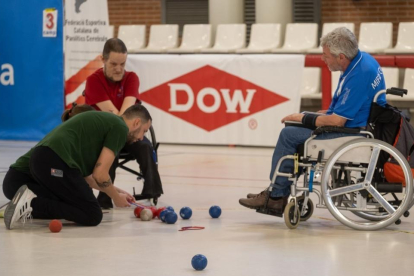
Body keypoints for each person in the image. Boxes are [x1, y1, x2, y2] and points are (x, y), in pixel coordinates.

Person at [239, 27, 387, 214]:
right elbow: (346, 106)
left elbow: (337, 121)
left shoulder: (358, 75)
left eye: (325, 55)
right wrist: (310, 116)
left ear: (341, 56)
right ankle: (278, 189)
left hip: (352, 131)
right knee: (296, 123)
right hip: (360, 123)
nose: (322, 59)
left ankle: (276, 196)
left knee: (288, 134)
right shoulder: (362, 60)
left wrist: (304, 117)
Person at [2, 104, 152, 230]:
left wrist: (120, 192)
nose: (141, 138)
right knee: (92, 214)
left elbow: (89, 179)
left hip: (37, 167)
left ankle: (22, 204)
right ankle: (29, 203)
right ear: (137, 122)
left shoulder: (105, 125)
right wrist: (115, 197)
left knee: (73, 200)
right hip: (50, 162)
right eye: (144, 131)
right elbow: (100, 175)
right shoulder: (120, 128)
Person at [84, 38, 163, 209]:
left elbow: (126, 115)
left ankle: (152, 191)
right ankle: (105, 197)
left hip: (130, 134)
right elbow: (117, 119)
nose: (119, 69)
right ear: (103, 59)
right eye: (113, 64)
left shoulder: (131, 78)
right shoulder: (93, 81)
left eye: (123, 63)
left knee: (145, 146)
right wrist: (124, 119)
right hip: (106, 135)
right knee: (110, 149)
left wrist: (127, 123)